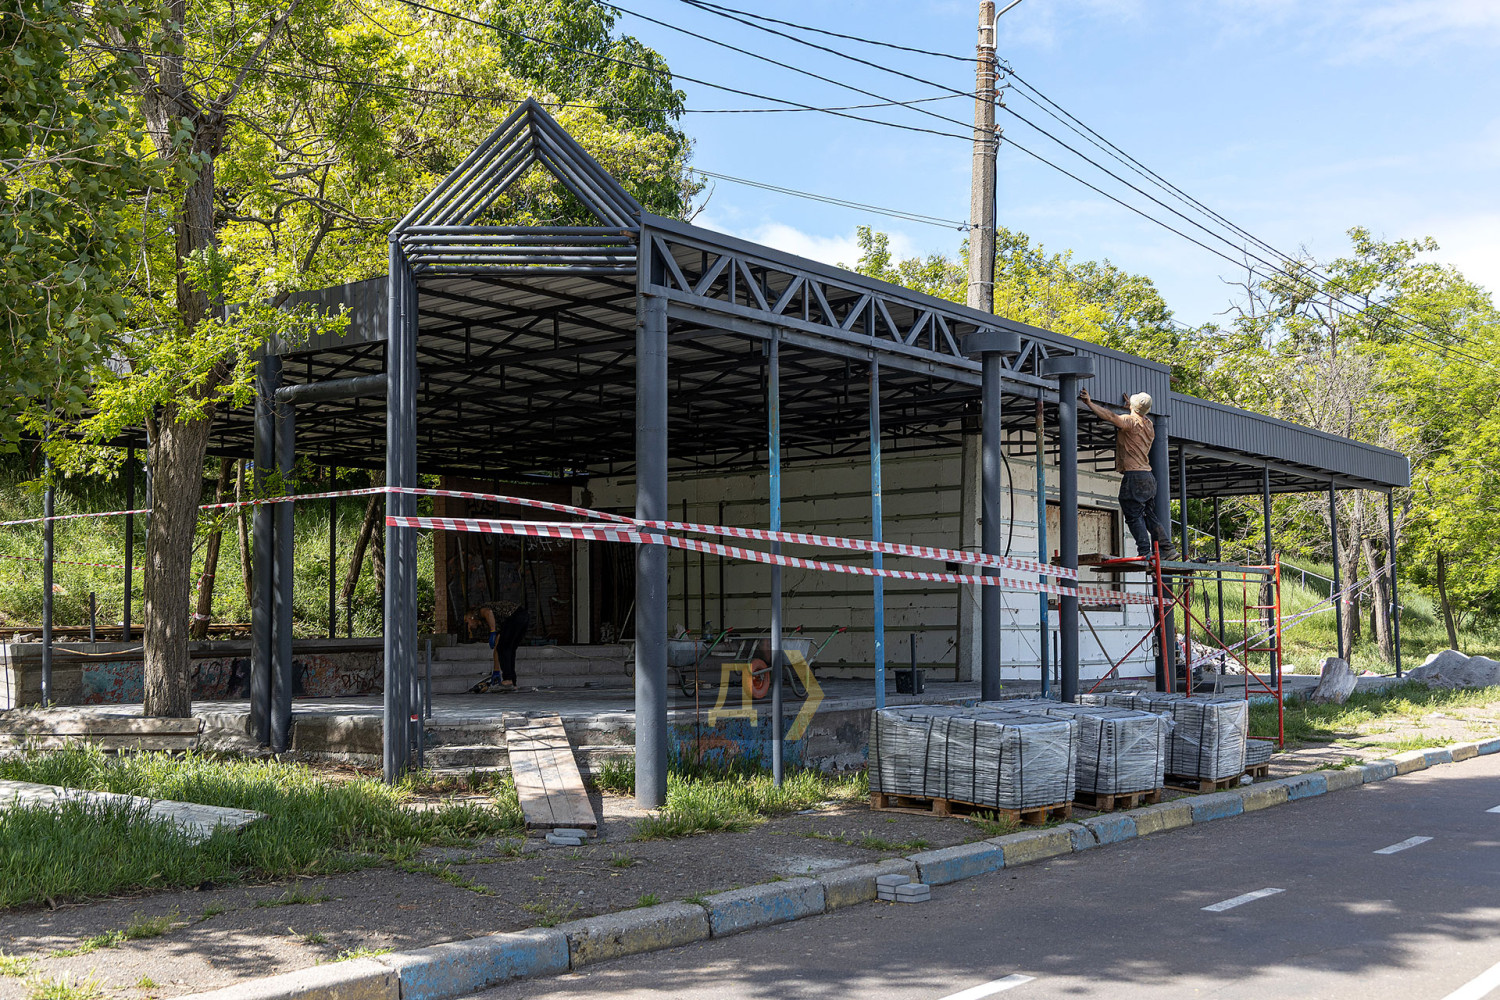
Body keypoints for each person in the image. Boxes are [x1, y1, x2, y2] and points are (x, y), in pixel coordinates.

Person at [1079, 388, 1178, 560]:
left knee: (1133, 514)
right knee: (1149, 515)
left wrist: (1089, 403)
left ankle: (1145, 552)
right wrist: (1131, 408)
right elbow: (1137, 417)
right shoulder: (1149, 424)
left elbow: (1110, 416)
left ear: (1133, 406)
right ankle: (1167, 549)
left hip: (1135, 476)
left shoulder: (1129, 422)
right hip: (1148, 477)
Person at [463, 599, 531, 692]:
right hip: (523, 617)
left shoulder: (478, 612)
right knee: (508, 649)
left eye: (467, 622)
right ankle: (512, 682)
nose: (468, 626)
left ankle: (508, 681)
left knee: (504, 648)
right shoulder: (494, 622)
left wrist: (492, 632)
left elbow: (488, 612)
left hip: (515, 616)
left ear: (471, 617)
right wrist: (496, 671)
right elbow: (497, 647)